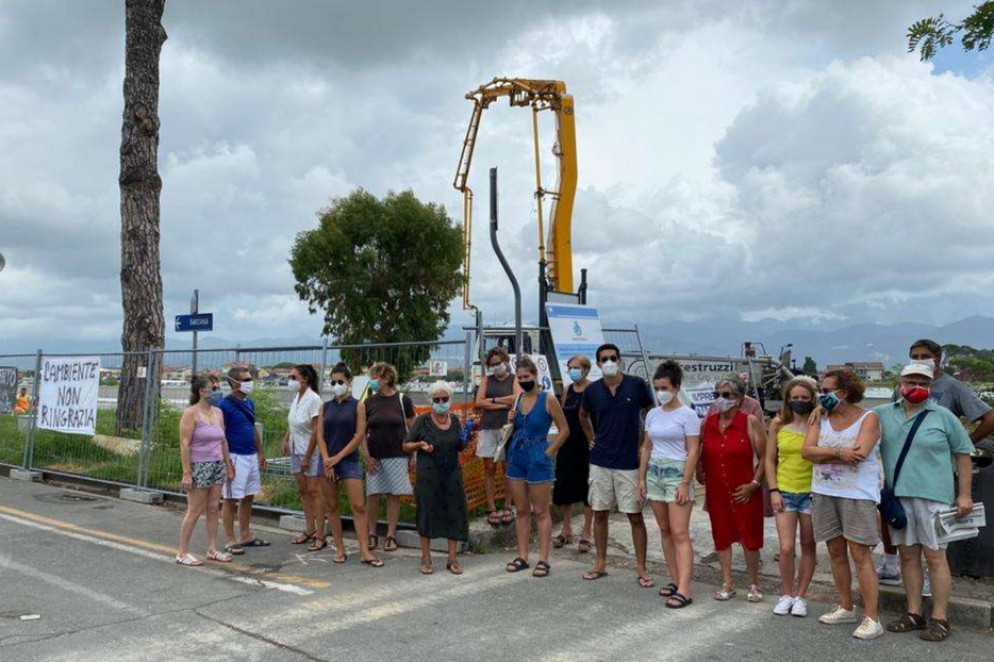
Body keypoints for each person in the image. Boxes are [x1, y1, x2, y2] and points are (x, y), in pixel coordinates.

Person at [877, 338, 994, 588]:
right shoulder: (902, 389)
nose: (919, 361)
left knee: (934, 539)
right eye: (914, 356)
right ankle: (890, 565)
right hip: (901, 474)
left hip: (935, 474)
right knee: (892, 518)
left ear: (937, 359)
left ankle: (933, 577)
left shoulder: (952, 388)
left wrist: (965, 443)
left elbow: (989, 418)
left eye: (923, 356)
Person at [877, 363, 974, 642]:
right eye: (911, 381)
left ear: (931, 386)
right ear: (900, 382)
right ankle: (914, 612)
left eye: (922, 382)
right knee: (908, 556)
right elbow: (853, 422)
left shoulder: (944, 416)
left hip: (935, 497)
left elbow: (964, 454)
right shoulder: (882, 414)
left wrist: (964, 494)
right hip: (899, 497)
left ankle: (940, 618)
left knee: (935, 557)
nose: (916, 387)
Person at [801, 368, 883, 640]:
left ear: (844, 392)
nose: (821, 396)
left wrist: (824, 455)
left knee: (860, 555)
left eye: (826, 391)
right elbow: (807, 452)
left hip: (857, 494)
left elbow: (859, 454)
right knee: (835, 551)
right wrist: (837, 452)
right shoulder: (820, 416)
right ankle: (846, 606)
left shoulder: (869, 418)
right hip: (824, 492)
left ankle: (872, 617)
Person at [579, 343, 655, 586]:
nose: (610, 362)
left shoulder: (636, 385)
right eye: (604, 359)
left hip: (629, 462)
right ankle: (600, 562)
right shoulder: (592, 391)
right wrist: (591, 438)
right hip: (600, 461)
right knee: (599, 513)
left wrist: (644, 441)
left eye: (613, 357)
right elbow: (583, 415)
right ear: (598, 364)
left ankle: (641, 567)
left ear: (619, 360)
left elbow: (650, 410)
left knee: (634, 515)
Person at [637, 360, 701, 609]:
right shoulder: (652, 414)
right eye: (656, 387)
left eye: (664, 387)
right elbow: (646, 447)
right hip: (654, 473)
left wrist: (685, 482)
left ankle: (685, 588)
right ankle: (675, 579)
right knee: (664, 530)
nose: (660, 392)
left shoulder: (688, 415)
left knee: (680, 532)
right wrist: (641, 478)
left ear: (676, 387)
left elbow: (693, 449)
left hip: (677, 474)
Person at [699, 374, 767, 603]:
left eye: (726, 395)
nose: (720, 399)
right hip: (717, 490)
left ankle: (754, 583)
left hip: (745, 490)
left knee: (750, 538)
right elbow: (700, 451)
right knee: (722, 536)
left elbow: (765, 457)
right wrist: (699, 470)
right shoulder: (708, 423)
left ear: (738, 398)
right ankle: (727, 582)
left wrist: (754, 484)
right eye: (716, 395)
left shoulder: (750, 421)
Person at [504, 356, 569, 578]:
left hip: (538, 457)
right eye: (520, 377)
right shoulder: (518, 399)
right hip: (517, 457)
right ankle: (522, 555)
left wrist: (548, 452)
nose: (523, 380)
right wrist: (511, 418)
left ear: (535, 376)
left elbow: (564, 430)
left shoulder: (548, 399)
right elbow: (514, 427)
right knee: (521, 510)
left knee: (541, 510)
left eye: (527, 376)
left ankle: (543, 558)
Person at [316, 362, 384, 567]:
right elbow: (319, 434)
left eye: (340, 382)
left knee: (358, 506)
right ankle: (339, 548)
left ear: (349, 382)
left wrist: (338, 457)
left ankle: (364, 550)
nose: (337, 385)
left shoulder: (358, 405)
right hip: (327, 462)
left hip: (348, 461)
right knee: (332, 506)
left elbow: (359, 434)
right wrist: (328, 459)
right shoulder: (325, 406)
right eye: (333, 382)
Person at [403, 381, 471, 575]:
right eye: (437, 399)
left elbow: (459, 445)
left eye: (445, 399)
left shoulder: (455, 420)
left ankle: (452, 558)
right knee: (426, 511)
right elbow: (406, 445)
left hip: (452, 472)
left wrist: (466, 440)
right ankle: (426, 556)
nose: (441, 402)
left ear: (450, 399)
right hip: (428, 474)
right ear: (431, 400)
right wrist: (420, 445)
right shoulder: (422, 420)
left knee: (455, 511)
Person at [765, 377, 818, 617]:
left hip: (811, 493)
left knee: (808, 545)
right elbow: (769, 460)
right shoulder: (778, 424)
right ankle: (786, 593)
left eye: (804, 398)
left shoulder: (818, 424)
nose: (799, 402)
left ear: (812, 400)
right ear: (788, 399)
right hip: (784, 492)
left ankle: (801, 597)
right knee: (786, 547)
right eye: (794, 398)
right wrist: (773, 489)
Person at [176, 375, 235, 566]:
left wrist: (228, 464)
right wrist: (187, 472)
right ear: (202, 391)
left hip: (217, 464)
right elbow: (185, 444)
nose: (218, 390)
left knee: (212, 508)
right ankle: (182, 552)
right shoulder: (191, 413)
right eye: (213, 387)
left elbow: (223, 440)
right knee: (195, 509)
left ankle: (212, 548)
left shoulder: (218, 412)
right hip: (199, 465)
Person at [363, 362, 415, 553]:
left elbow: (412, 428)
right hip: (375, 455)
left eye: (375, 377)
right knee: (373, 494)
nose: (373, 381)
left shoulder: (403, 400)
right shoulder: (369, 402)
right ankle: (372, 533)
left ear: (385, 378)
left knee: (394, 494)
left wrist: (413, 455)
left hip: (398, 454)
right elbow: (361, 432)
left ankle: (391, 534)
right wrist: (366, 456)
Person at [218, 367, 270, 554]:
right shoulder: (224, 406)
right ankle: (230, 539)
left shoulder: (249, 403)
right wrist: (227, 462)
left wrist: (261, 452)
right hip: (235, 456)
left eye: (250, 379)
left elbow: (252, 427)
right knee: (231, 498)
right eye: (246, 379)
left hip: (250, 455)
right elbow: (221, 435)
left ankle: (245, 534)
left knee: (248, 496)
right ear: (234, 382)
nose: (250, 382)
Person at [553, 354, 594, 553]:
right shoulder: (568, 389)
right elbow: (561, 415)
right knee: (564, 486)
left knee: (587, 487)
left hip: (587, 444)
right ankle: (567, 528)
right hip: (567, 444)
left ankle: (587, 532)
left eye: (576, 367)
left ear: (586, 369)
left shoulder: (594, 389)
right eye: (570, 367)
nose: (572, 371)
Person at [474, 346, 519, 526]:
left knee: (507, 467)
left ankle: (508, 505)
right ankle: (491, 507)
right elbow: (478, 402)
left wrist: (491, 401)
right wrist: (502, 403)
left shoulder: (514, 379)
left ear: (506, 362)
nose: (495, 367)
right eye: (492, 364)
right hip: (488, 427)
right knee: (489, 468)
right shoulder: (486, 380)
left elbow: (516, 398)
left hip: (507, 428)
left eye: (498, 363)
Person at [283, 365, 325, 551]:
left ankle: (321, 533)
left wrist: (307, 456)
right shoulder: (296, 398)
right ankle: (309, 528)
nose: (290, 380)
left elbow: (316, 430)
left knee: (315, 491)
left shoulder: (314, 399)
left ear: (305, 379)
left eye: (294, 377)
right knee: (303, 490)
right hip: (296, 449)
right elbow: (292, 422)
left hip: (310, 451)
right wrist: (286, 439)